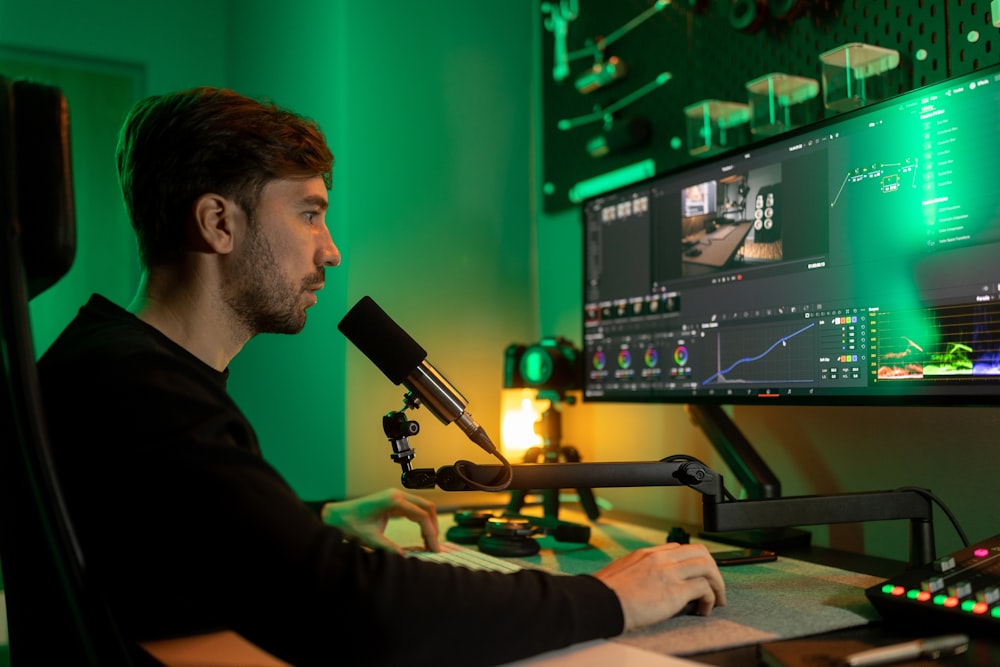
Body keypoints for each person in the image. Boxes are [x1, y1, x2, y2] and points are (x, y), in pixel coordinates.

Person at [37, 87, 726, 666]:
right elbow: (357, 607)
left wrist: (312, 523)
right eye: (308, 213)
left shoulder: (110, 362)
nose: (331, 251)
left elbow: (171, 528)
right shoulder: (145, 394)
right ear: (218, 222)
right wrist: (609, 598)